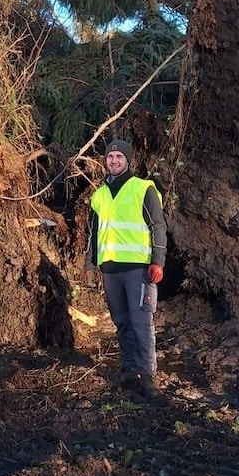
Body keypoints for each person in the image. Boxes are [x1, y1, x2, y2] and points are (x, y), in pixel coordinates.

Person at [85, 138, 167, 397]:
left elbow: (158, 227)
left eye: (119, 156)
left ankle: (148, 376)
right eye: (110, 157)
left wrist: (158, 261)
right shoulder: (99, 196)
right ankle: (130, 370)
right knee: (121, 322)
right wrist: (89, 263)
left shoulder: (143, 189)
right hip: (111, 270)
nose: (114, 161)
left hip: (138, 269)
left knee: (141, 321)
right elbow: (94, 233)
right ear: (105, 161)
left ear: (127, 160)